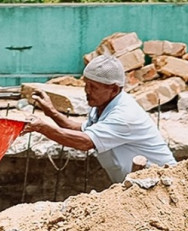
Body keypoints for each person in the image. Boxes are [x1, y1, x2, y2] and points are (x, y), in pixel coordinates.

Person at [21, 55, 176, 182]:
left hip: (163, 185)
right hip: (138, 187)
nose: (87, 91)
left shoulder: (124, 115)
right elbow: (82, 130)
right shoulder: (101, 106)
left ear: (114, 89)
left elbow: (85, 142)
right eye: (86, 85)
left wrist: (42, 127)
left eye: (93, 87)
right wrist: (52, 113)